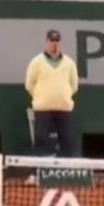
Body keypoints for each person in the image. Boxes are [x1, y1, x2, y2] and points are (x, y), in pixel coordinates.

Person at [25, 30, 79, 158]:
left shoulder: (69, 63)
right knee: (41, 139)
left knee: (67, 140)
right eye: (51, 41)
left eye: (57, 41)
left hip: (64, 108)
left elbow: (74, 85)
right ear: (46, 42)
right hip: (43, 109)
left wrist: (64, 96)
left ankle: (65, 167)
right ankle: (42, 167)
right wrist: (41, 97)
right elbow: (29, 84)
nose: (54, 44)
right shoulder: (36, 62)